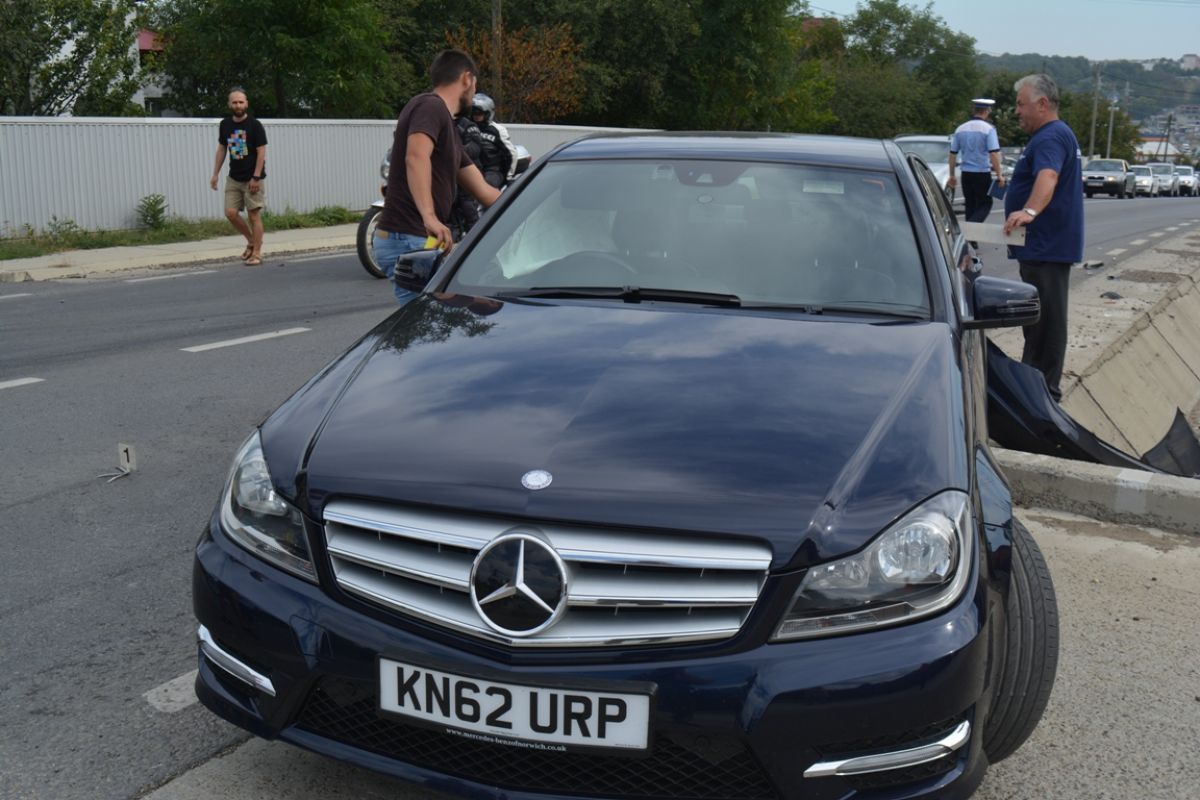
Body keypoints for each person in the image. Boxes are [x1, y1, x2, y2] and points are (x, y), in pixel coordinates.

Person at [376, 49, 500, 303]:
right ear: (466, 78)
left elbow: (484, 192)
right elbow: (416, 156)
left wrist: (531, 208)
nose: (474, 93)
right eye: (475, 85)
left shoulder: (449, 131)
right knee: (427, 320)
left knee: (451, 312)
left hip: (417, 240)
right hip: (409, 238)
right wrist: (429, 217)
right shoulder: (430, 105)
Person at [1002, 74, 1084, 402]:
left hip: (1047, 245)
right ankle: (1034, 388)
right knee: (1039, 324)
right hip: (1043, 246)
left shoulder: (1050, 137)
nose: (1016, 111)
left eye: (1021, 104)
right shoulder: (1053, 135)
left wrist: (1029, 211)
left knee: (1045, 324)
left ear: (1042, 104)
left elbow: (1048, 176)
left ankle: (1044, 395)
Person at [210, 88, 267, 265]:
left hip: (252, 178)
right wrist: (215, 174)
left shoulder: (254, 125)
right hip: (234, 178)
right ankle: (251, 241)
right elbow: (222, 149)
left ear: (246, 104)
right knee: (230, 213)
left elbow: (261, 152)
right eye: (234, 102)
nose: (238, 105)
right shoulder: (225, 124)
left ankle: (257, 253)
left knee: (253, 216)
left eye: (241, 102)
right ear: (229, 104)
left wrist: (256, 177)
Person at [947, 98, 1005, 223]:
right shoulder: (988, 129)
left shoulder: (960, 129)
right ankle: (970, 227)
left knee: (970, 205)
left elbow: (952, 154)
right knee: (985, 204)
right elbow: (993, 153)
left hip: (966, 174)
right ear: (987, 111)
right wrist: (999, 174)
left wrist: (952, 175)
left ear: (974, 110)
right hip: (981, 173)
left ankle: (970, 234)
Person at [469, 93, 518, 189]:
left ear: (487, 113)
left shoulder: (497, 130)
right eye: (473, 112)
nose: (476, 115)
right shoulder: (467, 127)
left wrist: (508, 177)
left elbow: (511, 153)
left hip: (492, 170)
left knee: (486, 186)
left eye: (479, 113)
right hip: (470, 168)